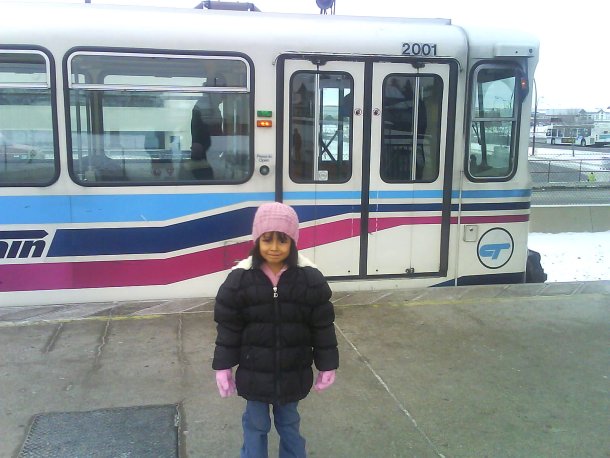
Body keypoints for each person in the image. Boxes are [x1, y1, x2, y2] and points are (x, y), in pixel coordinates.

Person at [212, 202, 339, 458]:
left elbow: (322, 327)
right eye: (266, 239)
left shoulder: (310, 280)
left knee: (289, 424)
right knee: (256, 425)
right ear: (256, 240)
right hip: (254, 372)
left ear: (293, 242)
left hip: (293, 371)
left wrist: (327, 364)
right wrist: (223, 366)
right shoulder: (239, 280)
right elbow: (229, 328)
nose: (273, 247)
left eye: (282, 240)